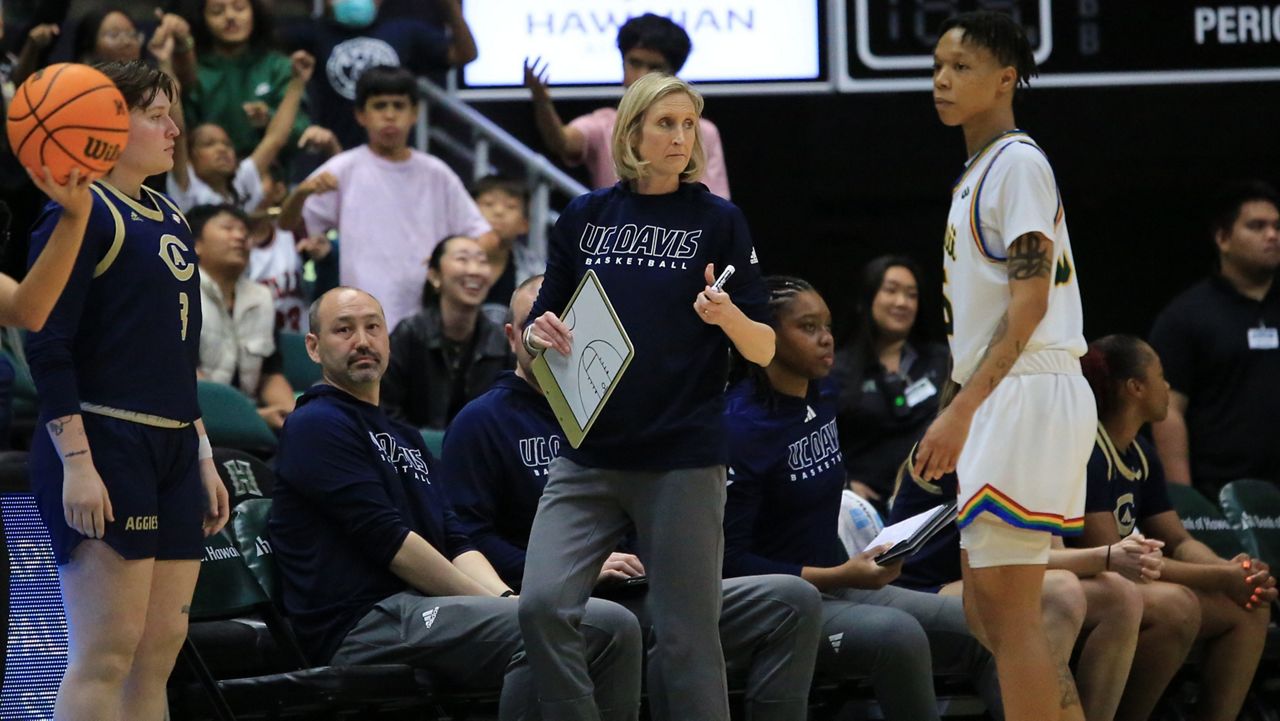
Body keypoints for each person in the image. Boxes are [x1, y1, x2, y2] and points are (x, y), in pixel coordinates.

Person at [443, 275, 822, 721]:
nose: (554, 333)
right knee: (584, 624)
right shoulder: (481, 421)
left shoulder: (621, 411)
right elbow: (466, 537)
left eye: (565, 319)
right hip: (571, 600)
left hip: (647, 587)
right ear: (512, 336)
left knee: (792, 601)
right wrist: (574, 565)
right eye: (536, 322)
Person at [519, 73, 774, 721]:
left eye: (689, 125)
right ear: (631, 132)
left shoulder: (719, 220)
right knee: (541, 604)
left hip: (683, 458)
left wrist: (726, 318)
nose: (679, 137)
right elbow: (539, 324)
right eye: (665, 123)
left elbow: (765, 347)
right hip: (588, 454)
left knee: (687, 639)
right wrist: (538, 332)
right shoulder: (585, 214)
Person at [268, 286, 641, 719]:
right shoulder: (316, 423)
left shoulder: (402, 436)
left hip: (424, 609)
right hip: (364, 621)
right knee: (583, 628)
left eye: (373, 327)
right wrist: (506, 608)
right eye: (344, 330)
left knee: (611, 626)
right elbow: (393, 544)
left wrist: (502, 596)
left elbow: (454, 538)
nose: (363, 341)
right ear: (313, 347)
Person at [24, 60, 230, 721]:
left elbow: (178, 353)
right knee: (106, 653)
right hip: (104, 443)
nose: (174, 128)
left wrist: (200, 453)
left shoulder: (171, 213)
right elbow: (47, 343)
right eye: (155, 114)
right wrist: (77, 464)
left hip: (172, 447)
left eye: (173, 112)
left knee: (158, 653)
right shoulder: (76, 212)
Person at [915, 11, 1093, 720]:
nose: (941, 80)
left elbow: (1027, 306)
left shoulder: (1018, 163)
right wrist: (952, 409)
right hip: (1000, 395)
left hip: (1028, 389)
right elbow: (987, 319)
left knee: (1013, 617)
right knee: (990, 616)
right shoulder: (979, 171)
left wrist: (961, 409)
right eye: (936, 67)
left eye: (959, 67)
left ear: (1006, 78)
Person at [722, 275, 999, 721]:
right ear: (762, 335)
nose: (827, 338)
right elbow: (729, 562)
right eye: (808, 327)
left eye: (827, 325)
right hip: (785, 606)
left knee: (985, 630)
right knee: (898, 636)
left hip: (837, 582)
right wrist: (837, 573)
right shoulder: (739, 427)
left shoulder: (820, 392)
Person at [1077, 334, 1277, 721]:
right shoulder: (1088, 450)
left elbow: (1180, 540)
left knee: (1250, 607)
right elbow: (1112, 563)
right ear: (1135, 387)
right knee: (1179, 609)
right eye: (1161, 376)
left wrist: (1235, 572)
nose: (1167, 387)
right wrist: (1220, 577)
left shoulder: (1140, 452)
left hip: (1131, 578)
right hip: (1096, 584)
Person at [893, 434, 1145, 721]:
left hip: (982, 579)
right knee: (1060, 592)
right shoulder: (978, 444)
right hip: (921, 590)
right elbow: (1005, 559)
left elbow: (1050, 553)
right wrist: (1108, 556)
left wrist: (1114, 558)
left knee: (1120, 595)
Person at [297, 65, 495, 331]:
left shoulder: (437, 173)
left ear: (414, 113)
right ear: (360, 114)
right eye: (379, 106)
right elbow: (297, 225)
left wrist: (450, 262)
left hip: (429, 319)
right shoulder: (342, 169)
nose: (390, 115)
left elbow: (483, 236)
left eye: (399, 106)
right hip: (362, 320)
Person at [1149, 181, 1280, 497]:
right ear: (1223, 238)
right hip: (1221, 497)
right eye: (1257, 226)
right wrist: (1185, 501)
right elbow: (1168, 410)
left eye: (1277, 226)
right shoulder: (1185, 316)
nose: (1272, 235)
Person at [525, 12, 730, 199]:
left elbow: (717, 204)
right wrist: (542, 103)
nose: (641, 76)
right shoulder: (603, 125)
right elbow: (563, 142)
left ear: (673, 73)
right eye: (634, 63)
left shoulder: (702, 132)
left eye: (654, 67)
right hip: (618, 236)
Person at [833, 255, 949, 506]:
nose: (902, 302)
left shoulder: (941, 360)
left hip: (930, 499)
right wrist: (845, 483)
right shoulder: (836, 367)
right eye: (891, 291)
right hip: (863, 505)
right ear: (868, 297)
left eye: (911, 294)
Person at [284, 0, 477, 150]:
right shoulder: (313, 33)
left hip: (394, 156)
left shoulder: (404, 32)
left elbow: (465, 54)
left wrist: (449, 6)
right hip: (335, 151)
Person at [381, 235, 511, 430]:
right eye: (462, 259)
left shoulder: (499, 341)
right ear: (434, 276)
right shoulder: (408, 334)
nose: (474, 270)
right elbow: (385, 410)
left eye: (482, 261)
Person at [168, 49, 322, 213]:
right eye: (208, 144)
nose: (222, 149)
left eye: (227, 144)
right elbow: (178, 134)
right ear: (191, 158)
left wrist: (297, 82)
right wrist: (165, 65)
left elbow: (275, 138)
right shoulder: (186, 186)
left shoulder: (240, 185)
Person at [190, 203, 296, 430]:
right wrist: (251, 417)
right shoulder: (178, 293)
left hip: (253, 418)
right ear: (196, 244)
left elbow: (270, 374)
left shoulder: (262, 298)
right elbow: (185, 374)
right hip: (196, 420)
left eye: (244, 232)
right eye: (228, 228)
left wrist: (295, 418)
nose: (240, 237)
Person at [180, 0, 322, 163]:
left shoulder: (278, 66)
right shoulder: (195, 71)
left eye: (239, 8)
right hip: (205, 179)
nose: (230, 16)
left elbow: (301, 130)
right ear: (202, 19)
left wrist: (269, 118)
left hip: (269, 178)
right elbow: (181, 132)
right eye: (217, 11)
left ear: (255, 12)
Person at [73, 8, 197, 89]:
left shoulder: (151, 81)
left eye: (132, 34)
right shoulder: (79, 86)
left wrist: (165, 62)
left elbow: (178, 128)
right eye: (114, 35)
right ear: (89, 46)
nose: (127, 42)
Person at [472, 175, 544, 307]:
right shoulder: (449, 259)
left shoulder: (536, 271)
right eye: (488, 203)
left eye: (511, 206)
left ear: (525, 224)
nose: (498, 212)